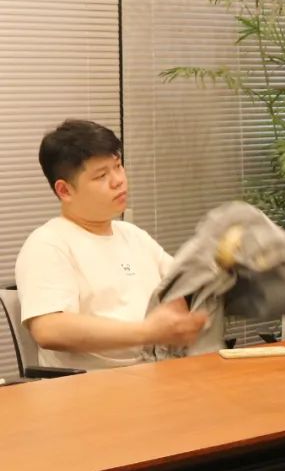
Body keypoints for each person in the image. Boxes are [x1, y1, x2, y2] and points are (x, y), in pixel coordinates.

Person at [15, 120, 208, 370]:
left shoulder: (133, 235)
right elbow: (49, 329)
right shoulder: (48, 244)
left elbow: (183, 286)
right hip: (95, 384)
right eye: (101, 175)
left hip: (159, 373)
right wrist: (147, 331)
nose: (118, 180)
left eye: (118, 166)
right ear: (65, 190)